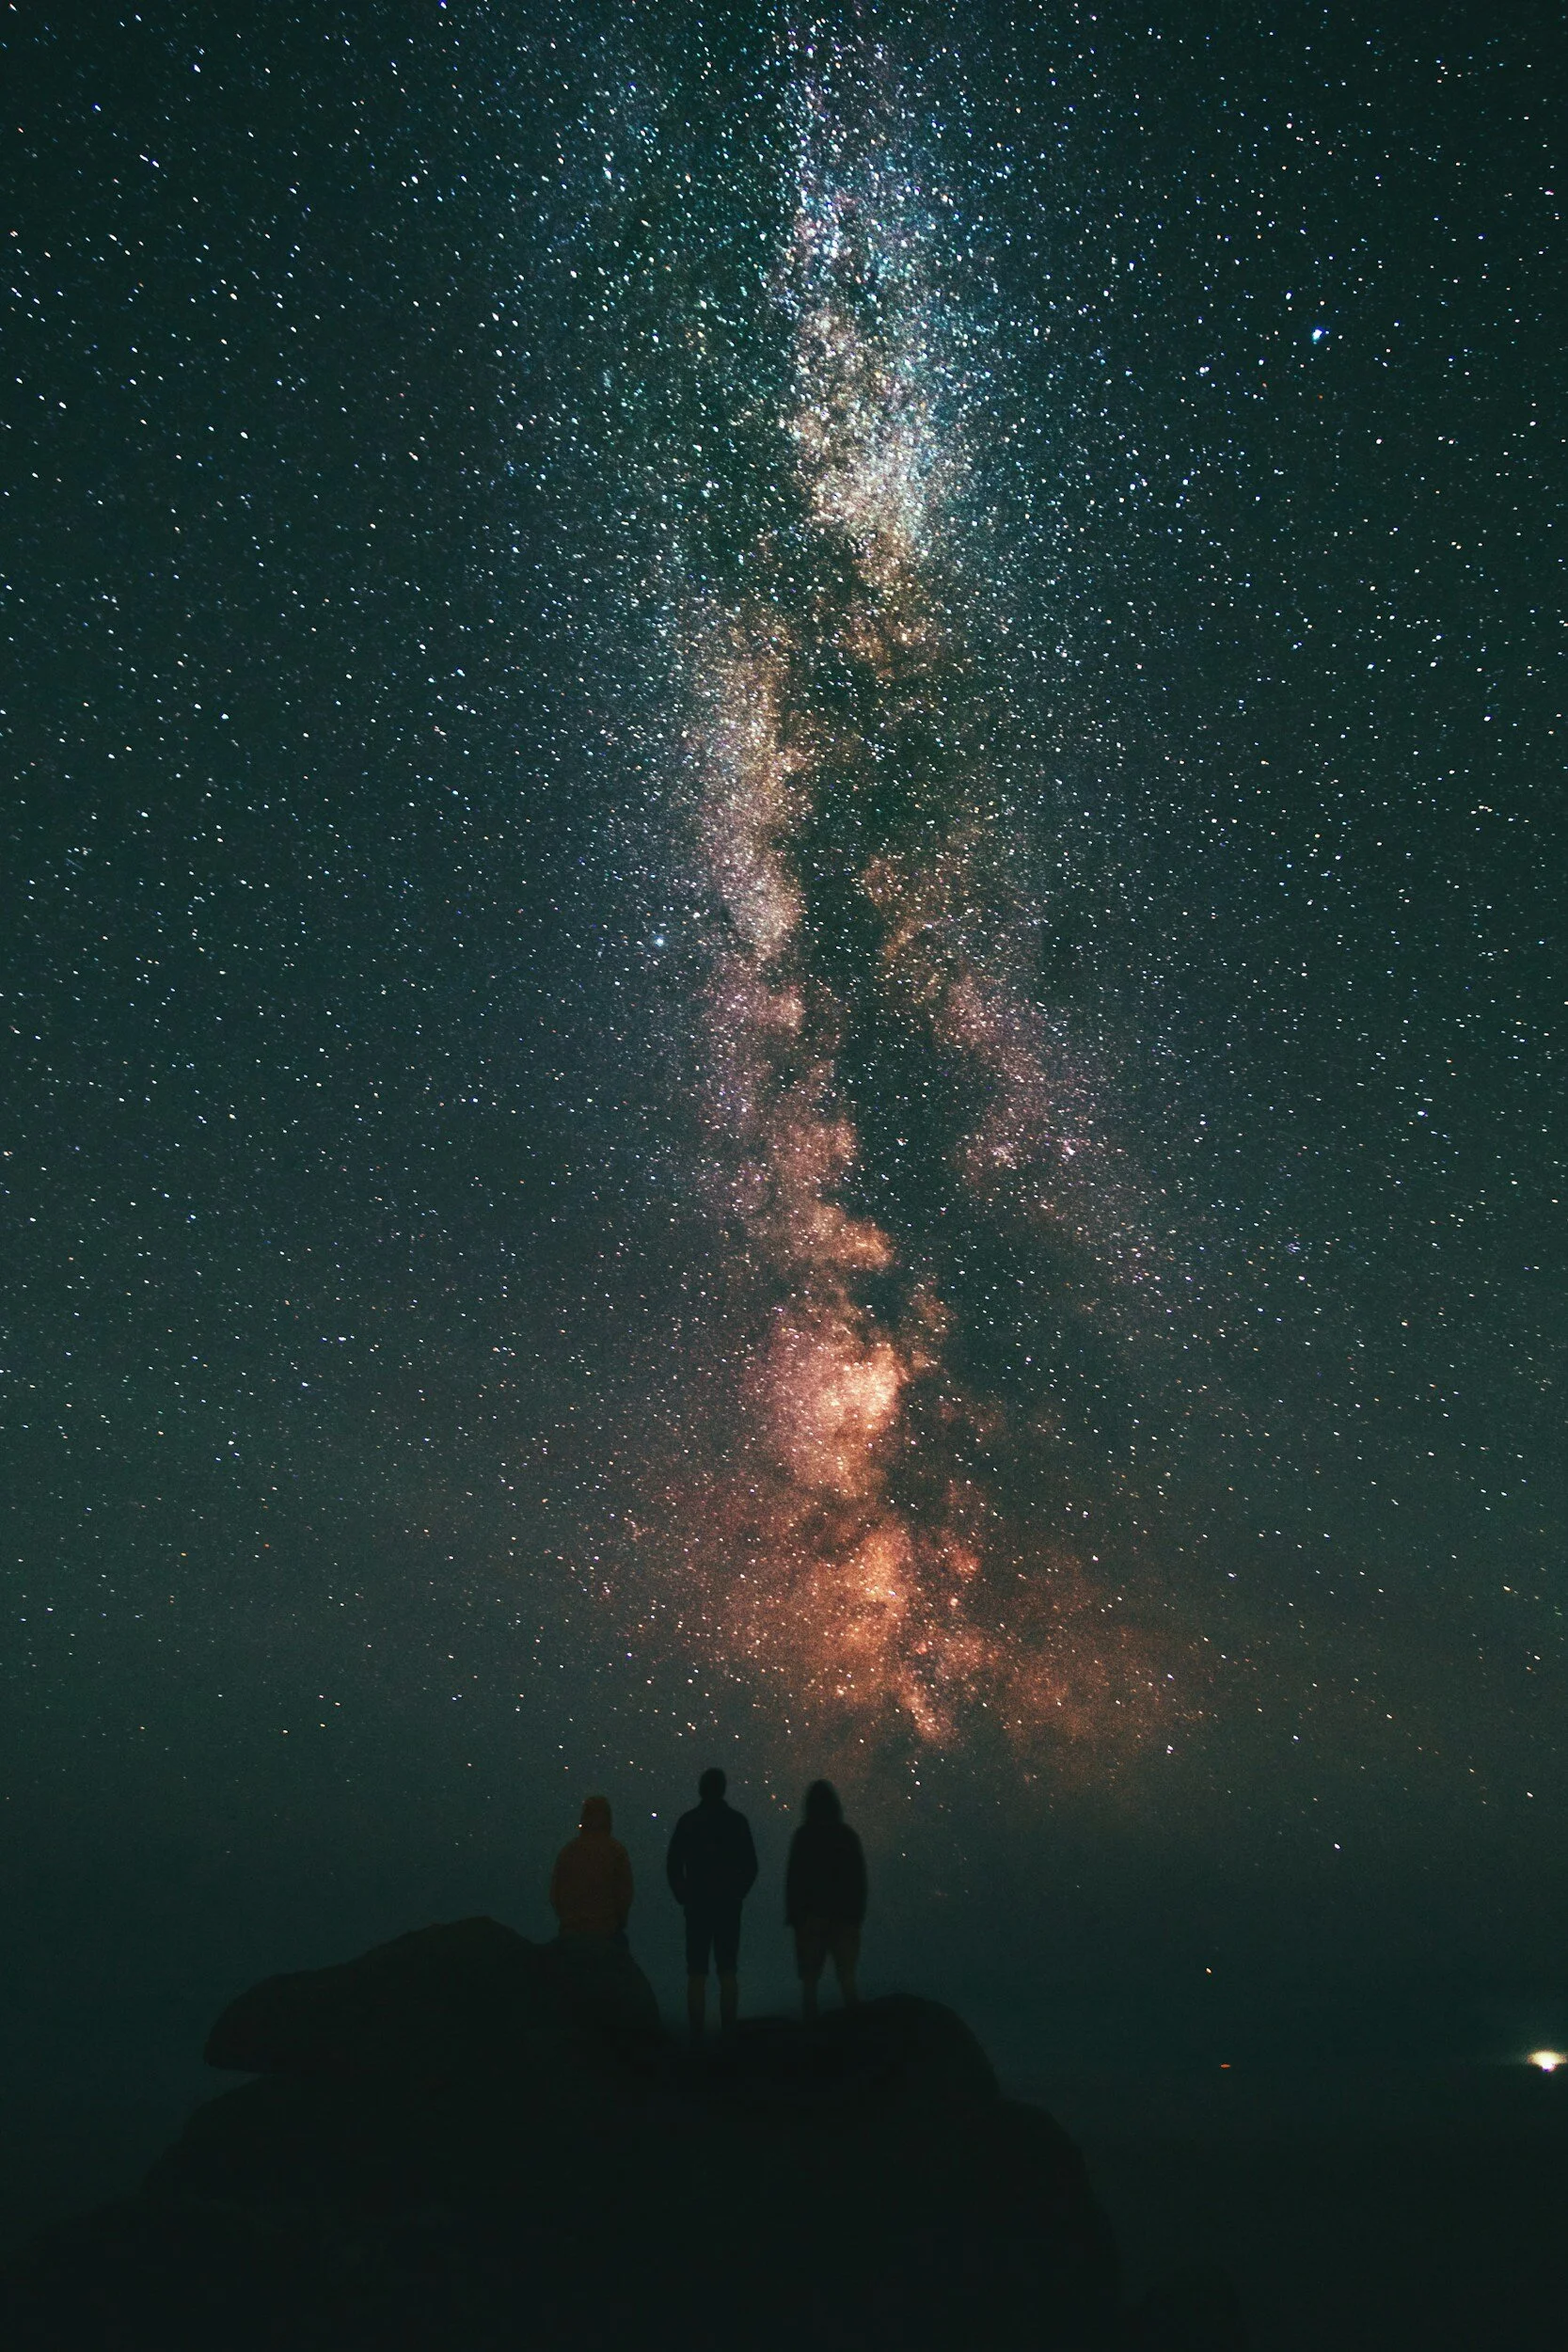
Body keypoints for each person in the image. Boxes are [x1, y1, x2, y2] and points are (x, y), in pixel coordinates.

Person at [665, 1766, 758, 2042]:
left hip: (697, 1906)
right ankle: (729, 2033)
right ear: (723, 1789)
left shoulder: (688, 1821)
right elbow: (751, 1865)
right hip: (728, 1905)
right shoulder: (737, 1821)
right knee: (728, 1970)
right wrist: (738, 1892)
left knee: (697, 1972)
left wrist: (683, 1894)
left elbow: (673, 1864)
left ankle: (697, 2036)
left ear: (701, 1789)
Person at [785, 1779, 866, 2020]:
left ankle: (811, 2036)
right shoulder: (847, 1836)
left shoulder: (803, 1836)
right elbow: (858, 1879)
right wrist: (856, 1916)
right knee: (847, 1979)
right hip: (845, 1919)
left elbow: (794, 1879)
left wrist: (795, 1916)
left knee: (809, 1982)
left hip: (811, 1919)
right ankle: (856, 2034)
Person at [549, 1793, 633, 1944]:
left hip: (572, 1932)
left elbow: (556, 1892)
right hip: (606, 1932)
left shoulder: (569, 1851)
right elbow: (624, 1893)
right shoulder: (616, 1851)